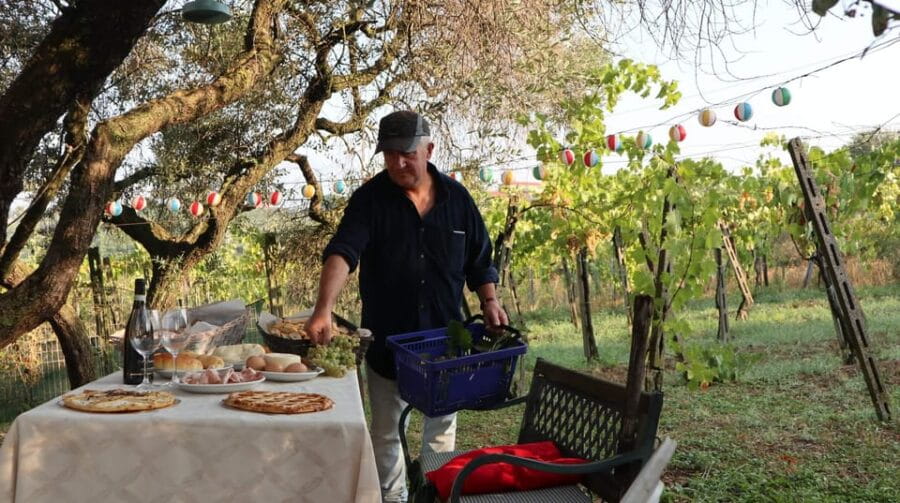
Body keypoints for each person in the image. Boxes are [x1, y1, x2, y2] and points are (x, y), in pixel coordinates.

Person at [305, 110, 508, 503]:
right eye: (389, 154)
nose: (397, 163)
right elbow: (343, 252)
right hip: (388, 344)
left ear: (429, 150)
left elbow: (480, 260)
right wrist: (323, 308)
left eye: (407, 154)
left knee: (441, 433)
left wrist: (490, 301)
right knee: (386, 434)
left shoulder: (458, 200)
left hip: (444, 343)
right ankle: (393, 498)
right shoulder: (369, 200)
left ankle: (433, 495)